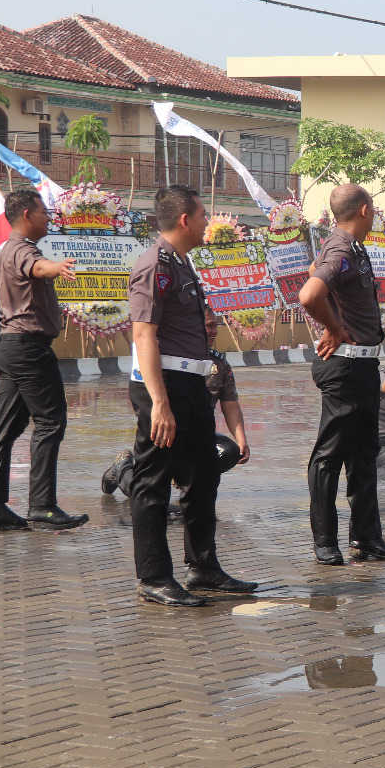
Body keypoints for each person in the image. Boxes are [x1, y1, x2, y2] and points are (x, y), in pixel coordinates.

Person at [124, 185, 256, 606]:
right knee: (153, 481)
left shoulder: (181, 263)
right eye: (202, 216)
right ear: (185, 220)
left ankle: (203, 568)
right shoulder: (154, 266)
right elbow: (144, 335)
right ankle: (154, 577)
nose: (207, 223)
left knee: (203, 474)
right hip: (161, 384)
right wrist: (159, 402)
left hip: (193, 383)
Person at [298, 184, 385, 566]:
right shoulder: (342, 247)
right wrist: (332, 327)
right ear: (365, 210)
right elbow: (309, 294)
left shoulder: (350, 248)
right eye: (374, 208)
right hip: (344, 363)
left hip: (361, 363)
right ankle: (325, 540)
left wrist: (336, 316)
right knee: (329, 455)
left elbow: (314, 273)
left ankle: (366, 538)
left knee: (364, 454)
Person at [0, 188, 87, 530]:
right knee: (50, 422)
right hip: (27, 349)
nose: (48, 217)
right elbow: (37, 268)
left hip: (12, 347)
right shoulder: (22, 250)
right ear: (27, 214)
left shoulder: (9, 248)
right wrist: (54, 268)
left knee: (6, 429)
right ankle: (42, 506)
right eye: (43, 212)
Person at [103, 308, 250, 503]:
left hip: (196, 432)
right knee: (147, 493)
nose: (214, 331)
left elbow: (230, 404)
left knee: (229, 452)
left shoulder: (218, 363)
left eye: (216, 326)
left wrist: (242, 440)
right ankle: (123, 470)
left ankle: (184, 482)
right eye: (209, 326)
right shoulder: (169, 360)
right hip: (165, 431)